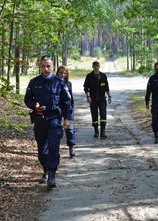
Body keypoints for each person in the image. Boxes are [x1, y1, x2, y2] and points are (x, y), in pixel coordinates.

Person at [24, 55, 72, 189]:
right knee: (41, 150)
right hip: (40, 119)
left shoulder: (59, 82)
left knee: (53, 147)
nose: (46, 69)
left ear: (53, 67)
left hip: (54, 119)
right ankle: (45, 169)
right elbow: (27, 99)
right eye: (43, 66)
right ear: (40, 66)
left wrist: (67, 119)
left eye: (48, 66)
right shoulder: (34, 82)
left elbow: (67, 102)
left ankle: (52, 174)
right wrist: (34, 105)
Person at [83, 61, 111, 138]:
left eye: (97, 66)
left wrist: (109, 96)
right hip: (93, 99)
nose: (96, 67)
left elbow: (106, 87)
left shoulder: (103, 76)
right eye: (94, 66)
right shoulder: (89, 76)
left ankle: (103, 132)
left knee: (103, 114)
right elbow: (86, 88)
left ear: (99, 66)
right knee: (94, 115)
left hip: (102, 99)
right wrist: (88, 97)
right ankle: (96, 131)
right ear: (92, 67)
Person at [56, 65, 76, 158]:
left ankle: (71, 147)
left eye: (65, 73)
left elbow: (70, 98)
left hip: (68, 109)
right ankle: (54, 150)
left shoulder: (69, 83)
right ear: (57, 73)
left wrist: (71, 109)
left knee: (70, 129)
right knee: (55, 129)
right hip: (57, 109)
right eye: (61, 72)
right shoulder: (54, 82)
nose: (63, 74)